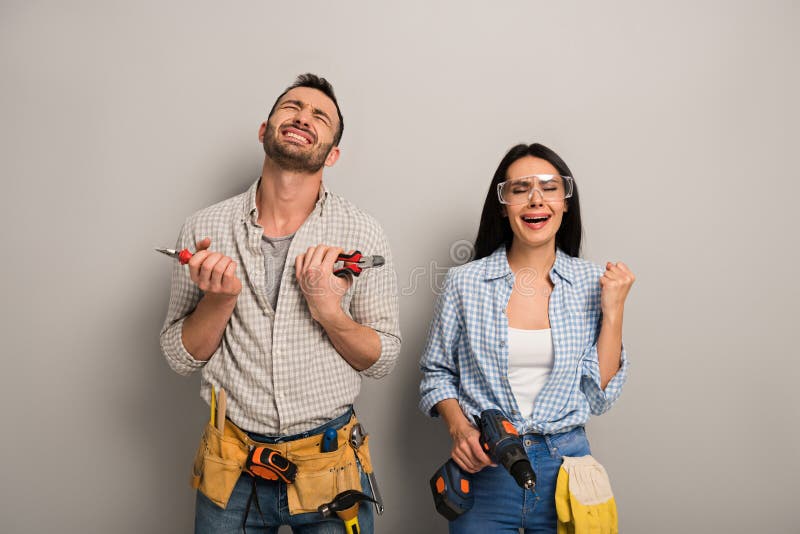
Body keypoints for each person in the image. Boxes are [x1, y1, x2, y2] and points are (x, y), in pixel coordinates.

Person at [160, 73, 401, 533]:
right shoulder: (203, 229)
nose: (303, 117)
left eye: (319, 116)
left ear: (332, 154)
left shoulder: (363, 232)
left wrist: (328, 310)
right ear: (264, 129)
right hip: (232, 468)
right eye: (292, 107)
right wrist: (218, 300)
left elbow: (383, 359)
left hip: (330, 465)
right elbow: (179, 357)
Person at [419, 143, 634, 533]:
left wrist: (614, 311)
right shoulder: (464, 283)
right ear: (503, 206)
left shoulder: (593, 282)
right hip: (487, 469)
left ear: (565, 203)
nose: (536, 199)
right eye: (520, 190)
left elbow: (599, 395)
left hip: (568, 473)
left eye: (549, 188)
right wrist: (460, 429)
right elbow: (437, 373)